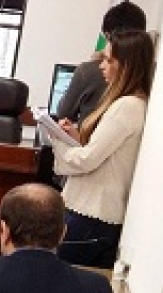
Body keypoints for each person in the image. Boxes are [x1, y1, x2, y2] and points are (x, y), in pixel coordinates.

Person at [52, 29, 157, 268]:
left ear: (127, 66)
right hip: (93, 215)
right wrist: (77, 138)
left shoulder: (127, 107)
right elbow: (103, 154)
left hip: (90, 215)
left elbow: (87, 160)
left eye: (109, 60)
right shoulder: (133, 104)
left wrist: (58, 141)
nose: (101, 66)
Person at [54, 1, 147, 124]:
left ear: (108, 36)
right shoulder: (149, 75)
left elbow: (63, 113)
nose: (103, 66)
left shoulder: (89, 71)